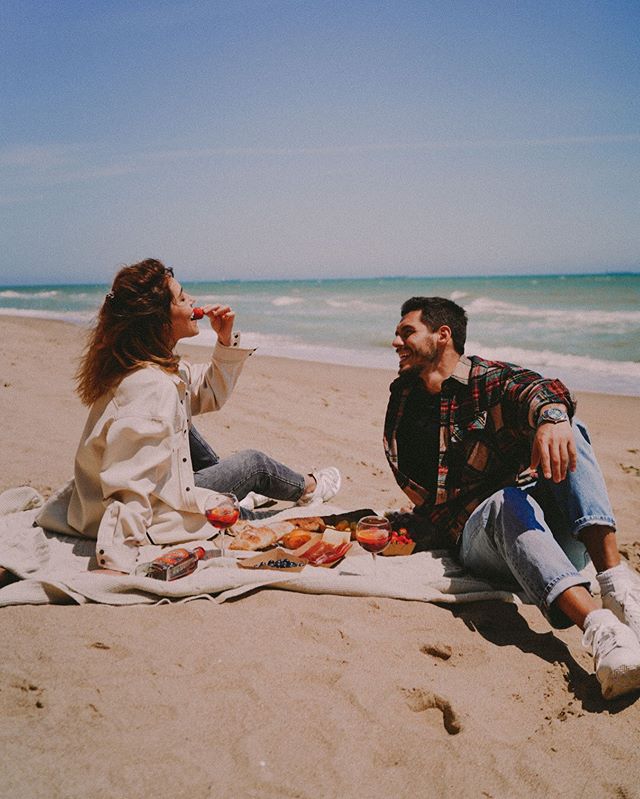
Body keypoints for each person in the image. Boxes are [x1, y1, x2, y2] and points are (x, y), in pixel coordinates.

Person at [383, 296, 640, 700]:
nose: (395, 342)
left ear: (442, 335)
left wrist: (552, 418)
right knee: (504, 502)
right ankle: (601, 629)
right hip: (479, 540)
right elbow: (430, 493)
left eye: (406, 332)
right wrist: (423, 520)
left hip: (544, 535)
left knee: (569, 428)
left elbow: (538, 388)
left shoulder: (486, 380)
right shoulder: (403, 401)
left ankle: (616, 585)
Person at [68, 259, 340, 573]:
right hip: (158, 509)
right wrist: (113, 560)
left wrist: (224, 340)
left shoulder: (147, 366)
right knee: (255, 464)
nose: (193, 300)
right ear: (160, 321)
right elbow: (130, 482)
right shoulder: (151, 388)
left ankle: (238, 499)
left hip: (161, 486)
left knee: (186, 427)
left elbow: (207, 391)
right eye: (182, 298)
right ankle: (309, 488)